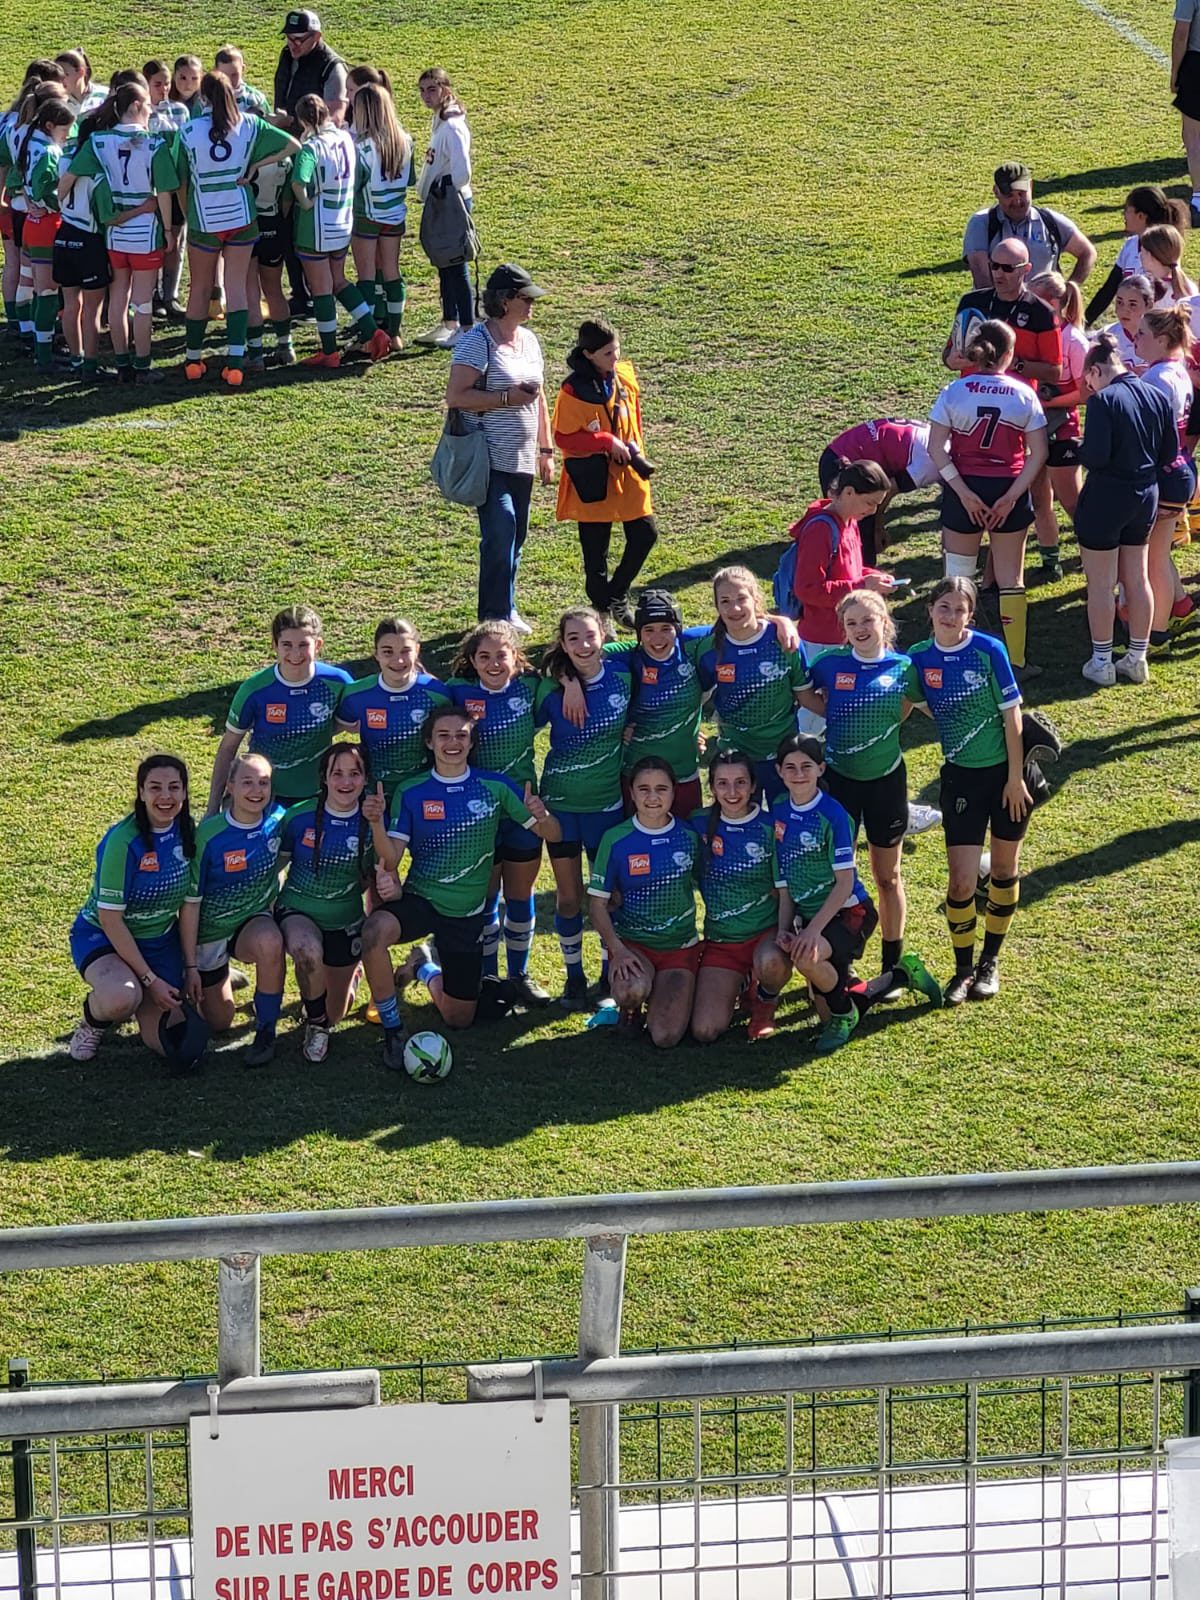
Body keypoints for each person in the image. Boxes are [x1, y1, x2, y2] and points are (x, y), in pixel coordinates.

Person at [363, 707, 560, 1066]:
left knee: (459, 1019)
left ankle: (423, 966)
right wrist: (376, 823)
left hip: (466, 914)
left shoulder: (495, 788)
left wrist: (543, 817)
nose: (452, 743)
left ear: (471, 743)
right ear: (429, 742)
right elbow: (391, 857)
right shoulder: (412, 791)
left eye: (461, 736)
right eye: (443, 736)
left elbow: (553, 835)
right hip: (421, 899)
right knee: (375, 930)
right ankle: (392, 1027)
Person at [772, 736, 938, 1054]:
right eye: (790, 767)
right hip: (814, 917)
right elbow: (784, 883)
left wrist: (811, 931)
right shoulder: (779, 812)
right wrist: (784, 928)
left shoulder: (833, 815)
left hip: (850, 911)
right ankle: (901, 976)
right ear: (779, 771)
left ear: (821, 768)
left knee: (806, 957)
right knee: (824, 1014)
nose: (798, 773)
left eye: (806, 766)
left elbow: (845, 883)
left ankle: (845, 1013)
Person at [906, 578, 1030, 1004]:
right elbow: (908, 703)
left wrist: (1016, 778)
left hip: (1005, 778)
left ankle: (989, 962)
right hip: (959, 778)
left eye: (959, 610)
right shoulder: (918, 658)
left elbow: (1013, 717)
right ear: (930, 609)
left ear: (970, 616)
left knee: (1002, 870)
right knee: (960, 883)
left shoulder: (988, 650)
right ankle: (962, 970)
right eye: (943, 607)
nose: (950, 616)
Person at [799, 589, 922, 995]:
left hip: (886, 781)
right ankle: (837, 959)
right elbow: (801, 691)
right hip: (840, 783)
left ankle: (892, 965)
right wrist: (832, 712)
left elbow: (907, 709)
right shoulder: (829, 664)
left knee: (888, 877)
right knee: (838, 875)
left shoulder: (904, 667)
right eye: (851, 624)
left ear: (884, 622)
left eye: (867, 621)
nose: (859, 630)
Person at [67, 755, 208, 1072]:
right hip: (104, 937)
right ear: (141, 792)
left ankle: (143, 990)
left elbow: (188, 906)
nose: (165, 797)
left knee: (175, 1049)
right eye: (155, 788)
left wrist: (190, 965)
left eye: (174, 787)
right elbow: (110, 919)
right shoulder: (121, 841)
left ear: (185, 793)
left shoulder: (189, 833)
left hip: (159, 942)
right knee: (121, 998)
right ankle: (93, 1020)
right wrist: (151, 980)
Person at [929, 319, 1049, 677]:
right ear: (1010, 354)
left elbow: (937, 448)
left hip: (964, 487)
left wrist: (963, 493)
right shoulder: (1024, 393)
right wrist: (1012, 497)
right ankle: (1015, 661)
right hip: (1007, 487)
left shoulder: (954, 391)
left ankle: (950, 653)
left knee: (957, 576)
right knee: (1012, 580)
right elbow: (1038, 453)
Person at [535, 606, 633, 1006]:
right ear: (562, 643)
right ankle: (574, 978)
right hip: (560, 807)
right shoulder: (550, 688)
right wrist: (565, 678)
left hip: (605, 806)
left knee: (609, 895)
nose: (583, 645)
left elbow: (663, 637)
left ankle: (611, 974)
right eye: (572, 638)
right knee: (570, 896)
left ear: (604, 636)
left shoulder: (624, 671)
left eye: (590, 636)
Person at [447, 262, 554, 629]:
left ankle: (505, 607)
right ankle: (492, 618)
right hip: (488, 457)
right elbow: (457, 396)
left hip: (522, 458)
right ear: (505, 300)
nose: (531, 305)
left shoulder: (530, 341)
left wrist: (546, 449)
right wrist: (507, 398)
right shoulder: (477, 342)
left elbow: (540, 398)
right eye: (526, 298)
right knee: (501, 530)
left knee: (516, 535)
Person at [446, 621, 548, 1004]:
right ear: (472, 660)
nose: (493, 664)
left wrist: (569, 682)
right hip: (478, 813)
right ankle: (486, 977)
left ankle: (519, 974)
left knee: (520, 893)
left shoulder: (531, 688)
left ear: (515, 658)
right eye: (484, 656)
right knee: (486, 896)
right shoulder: (456, 693)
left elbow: (568, 681)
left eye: (500, 655)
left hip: (523, 809)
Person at [178, 70, 301, 386]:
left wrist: (185, 209)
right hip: (241, 217)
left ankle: (193, 360)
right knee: (236, 288)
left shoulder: (188, 130)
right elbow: (292, 145)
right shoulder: (248, 124)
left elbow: (179, 179)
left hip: (205, 219)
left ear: (203, 97)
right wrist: (253, 166)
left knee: (201, 288)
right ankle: (235, 360)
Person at [276, 742, 390, 1063]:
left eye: (354, 773)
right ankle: (316, 1026)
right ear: (324, 778)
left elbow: (382, 872)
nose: (345, 781)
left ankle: (349, 978)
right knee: (307, 951)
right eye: (336, 773)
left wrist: (387, 883)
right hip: (298, 911)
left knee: (335, 1012)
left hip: (345, 920)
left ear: (365, 778)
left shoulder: (373, 821)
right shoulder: (298, 817)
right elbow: (273, 868)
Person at [62, 81, 180, 385]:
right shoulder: (155, 144)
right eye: (148, 105)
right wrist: (168, 230)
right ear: (138, 106)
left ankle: (122, 364)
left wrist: (54, 202)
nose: (152, 109)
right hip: (145, 232)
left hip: (114, 235)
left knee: (117, 299)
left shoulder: (98, 141)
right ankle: (142, 365)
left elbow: (70, 178)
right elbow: (165, 193)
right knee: (142, 302)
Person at [1075, 335, 1176, 686]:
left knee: (1101, 583)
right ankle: (1137, 656)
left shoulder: (1103, 401)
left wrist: (1077, 450)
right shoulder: (1157, 396)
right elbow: (1168, 456)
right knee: (1137, 576)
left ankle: (1101, 661)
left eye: (1090, 380)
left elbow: (1097, 456)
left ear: (1097, 370)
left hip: (1107, 496)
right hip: (1146, 493)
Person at [585, 757, 704, 1045]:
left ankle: (671, 996)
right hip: (634, 947)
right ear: (632, 792)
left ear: (674, 793)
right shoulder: (615, 839)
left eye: (661, 789)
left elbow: (708, 885)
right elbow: (597, 905)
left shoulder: (689, 835)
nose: (653, 797)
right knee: (630, 989)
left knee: (665, 1037)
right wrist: (619, 951)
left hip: (679, 948)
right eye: (644, 789)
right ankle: (629, 1010)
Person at [180, 753, 286, 1067]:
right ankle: (217, 974)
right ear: (230, 787)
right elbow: (189, 905)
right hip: (209, 932)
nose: (256, 790)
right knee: (220, 1023)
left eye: (263, 782)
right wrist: (190, 965)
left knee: (271, 941)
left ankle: (266, 1031)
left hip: (252, 922)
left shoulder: (279, 820)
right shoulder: (208, 836)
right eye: (247, 782)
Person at [552, 318, 658, 631]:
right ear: (588, 354)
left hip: (628, 471)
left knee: (645, 534)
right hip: (593, 475)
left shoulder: (623, 375)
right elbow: (564, 438)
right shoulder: (574, 391)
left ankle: (617, 593)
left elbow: (634, 413)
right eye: (607, 354)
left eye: (616, 351)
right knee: (595, 555)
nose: (614, 360)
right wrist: (605, 441)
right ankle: (601, 611)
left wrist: (635, 447)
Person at [207, 604, 352, 815]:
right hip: (264, 794)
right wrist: (212, 808)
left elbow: (358, 722)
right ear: (274, 645)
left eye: (303, 645)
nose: (295, 654)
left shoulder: (337, 682)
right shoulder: (255, 690)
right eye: (287, 645)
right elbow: (228, 748)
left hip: (318, 793)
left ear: (318, 644)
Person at [688, 749, 790, 1045]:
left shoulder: (772, 827)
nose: (732, 792)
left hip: (765, 935)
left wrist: (785, 931)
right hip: (722, 941)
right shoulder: (697, 823)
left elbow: (786, 887)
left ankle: (765, 1002)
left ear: (754, 785)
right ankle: (744, 982)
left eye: (740, 783)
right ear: (711, 787)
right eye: (722, 783)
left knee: (771, 962)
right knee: (704, 1030)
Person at [290, 93, 390, 367]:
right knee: (338, 280)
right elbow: (364, 175)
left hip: (317, 226)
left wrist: (306, 202)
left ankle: (329, 351)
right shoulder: (346, 138)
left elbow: (299, 181)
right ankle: (373, 330)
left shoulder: (311, 147)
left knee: (321, 288)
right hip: (343, 221)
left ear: (303, 120)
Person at [694, 566, 810, 802]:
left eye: (741, 599)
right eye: (725, 601)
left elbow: (807, 697)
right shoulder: (704, 646)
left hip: (783, 755)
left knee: (786, 826)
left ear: (755, 599)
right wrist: (691, 731)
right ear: (716, 606)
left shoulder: (784, 641)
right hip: (736, 758)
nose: (734, 608)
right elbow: (694, 697)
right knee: (741, 827)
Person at [1133, 305, 1199, 652]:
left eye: (1142, 334)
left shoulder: (1155, 379)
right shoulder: (1176, 370)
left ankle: (1155, 635)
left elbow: (1144, 434)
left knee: (1152, 557)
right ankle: (1179, 605)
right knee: (1159, 550)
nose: (1135, 338)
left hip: (1165, 472)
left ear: (1161, 339)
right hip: (1181, 467)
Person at [786, 460, 895, 655]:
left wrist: (875, 578)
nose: (872, 511)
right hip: (822, 641)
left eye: (877, 505)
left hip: (847, 635)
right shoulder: (820, 530)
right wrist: (862, 585)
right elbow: (807, 589)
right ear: (848, 492)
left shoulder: (851, 521)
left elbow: (849, 570)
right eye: (869, 503)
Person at [337, 617, 450, 796]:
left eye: (405, 651)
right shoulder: (356, 694)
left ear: (417, 650)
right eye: (388, 652)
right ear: (376, 654)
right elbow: (336, 730)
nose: (398, 661)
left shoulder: (436, 693)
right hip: (374, 791)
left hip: (423, 790)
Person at [1028, 270, 1089, 577]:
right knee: (1039, 498)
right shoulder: (1032, 334)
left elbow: (1087, 393)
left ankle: (1093, 552)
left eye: (1034, 299)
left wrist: (1049, 403)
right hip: (1033, 427)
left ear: (1053, 302)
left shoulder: (1074, 340)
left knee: (1072, 502)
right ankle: (1050, 562)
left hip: (1063, 428)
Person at [945, 237, 1062, 389]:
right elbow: (949, 350)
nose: (999, 274)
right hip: (971, 397)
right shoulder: (971, 302)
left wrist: (1015, 364)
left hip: (1014, 402)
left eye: (1008, 268)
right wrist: (950, 360)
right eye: (994, 266)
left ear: (1026, 269)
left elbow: (1055, 372)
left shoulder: (1042, 312)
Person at [818, 419, 940, 560]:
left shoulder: (937, 438)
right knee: (858, 536)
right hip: (842, 463)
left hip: (843, 451)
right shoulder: (931, 464)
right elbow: (888, 491)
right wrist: (878, 528)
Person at [53, 96, 113, 380]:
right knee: (92, 309)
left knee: (69, 305)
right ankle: (90, 365)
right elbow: (105, 216)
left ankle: (76, 358)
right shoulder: (98, 175)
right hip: (88, 241)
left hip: (63, 235)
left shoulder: (63, 160)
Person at [962, 162, 1095, 289]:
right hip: (999, 310)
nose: (1017, 201)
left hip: (1044, 310)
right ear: (996, 191)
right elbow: (982, 281)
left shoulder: (1049, 221)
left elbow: (1087, 252)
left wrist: (1070, 290)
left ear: (1030, 186)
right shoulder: (981, 223)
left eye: (1021, 193)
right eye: (1009, 195)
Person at [413, 67, 472, 348]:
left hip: (450, 199)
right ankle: (449, 322)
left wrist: (445, 189)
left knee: (455, 264)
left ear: (446, 90)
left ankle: (467, 325)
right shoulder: (440, 122)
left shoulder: (451, 126)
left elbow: (462, 171)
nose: (426, 96)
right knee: (444, 264)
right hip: (440, 197)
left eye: (432, 89)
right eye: (422, 90)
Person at [350, 82, 411, 352]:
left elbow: (355, 186)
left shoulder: (361, 147)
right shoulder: (405, 140)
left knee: (366, 276)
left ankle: (370, 337)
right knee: (391, 272)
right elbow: (410, 180)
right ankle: (395, 334)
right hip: (395, 214)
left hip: (367, 215)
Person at [21, 97, 73, 372]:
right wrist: (61, 202)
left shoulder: (30, 142)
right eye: (64, 131)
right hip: (46, 227)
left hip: (32, 223)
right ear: (51, 125)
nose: (65, 137)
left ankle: (37, 344)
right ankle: (44, 356)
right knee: (48, 291)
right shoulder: (50, 151)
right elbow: (45, 189)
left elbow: (20, 179)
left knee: (38, 289)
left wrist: (30, 200)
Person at [1086, 187, 1189, 324]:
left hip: (1158, 328)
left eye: (1127, 210)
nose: (1124, 215)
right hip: (1133, 327)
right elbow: (1109, 288)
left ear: (1141, 216)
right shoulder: (1130, 245)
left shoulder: (1163, 248)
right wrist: (1084, 322)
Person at [274, 10, 347, 124]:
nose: (293, 45)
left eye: (299, 40)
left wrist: (292, 122)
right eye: (289, 38)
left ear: (316, 36)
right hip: (284, 137)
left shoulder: (332, 67)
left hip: (314, 140)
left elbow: (335, 119)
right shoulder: (287, 55)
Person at [1173, 0, 1200, 224]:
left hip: (1197, 64)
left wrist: (1175, 73)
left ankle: (1199, 199)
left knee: (1193, 138)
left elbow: (1181, 34)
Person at [1100, 272, 1155, 373]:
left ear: (1149, 305)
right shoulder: (1106, 336)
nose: (1124, 310)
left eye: (1132, 304)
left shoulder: (1160, 338)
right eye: (1119, 302)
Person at [1139, 224, 1197, 306]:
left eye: (1142, 251)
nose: (1140, 255)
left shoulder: (1150, 292)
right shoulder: (1189, 286)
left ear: (1149, 256)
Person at [55, 50, 107, 119]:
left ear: (81, 72)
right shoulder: (57, 101)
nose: (60, 80)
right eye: (57, 75)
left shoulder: (104, 95)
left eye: (65, 74)